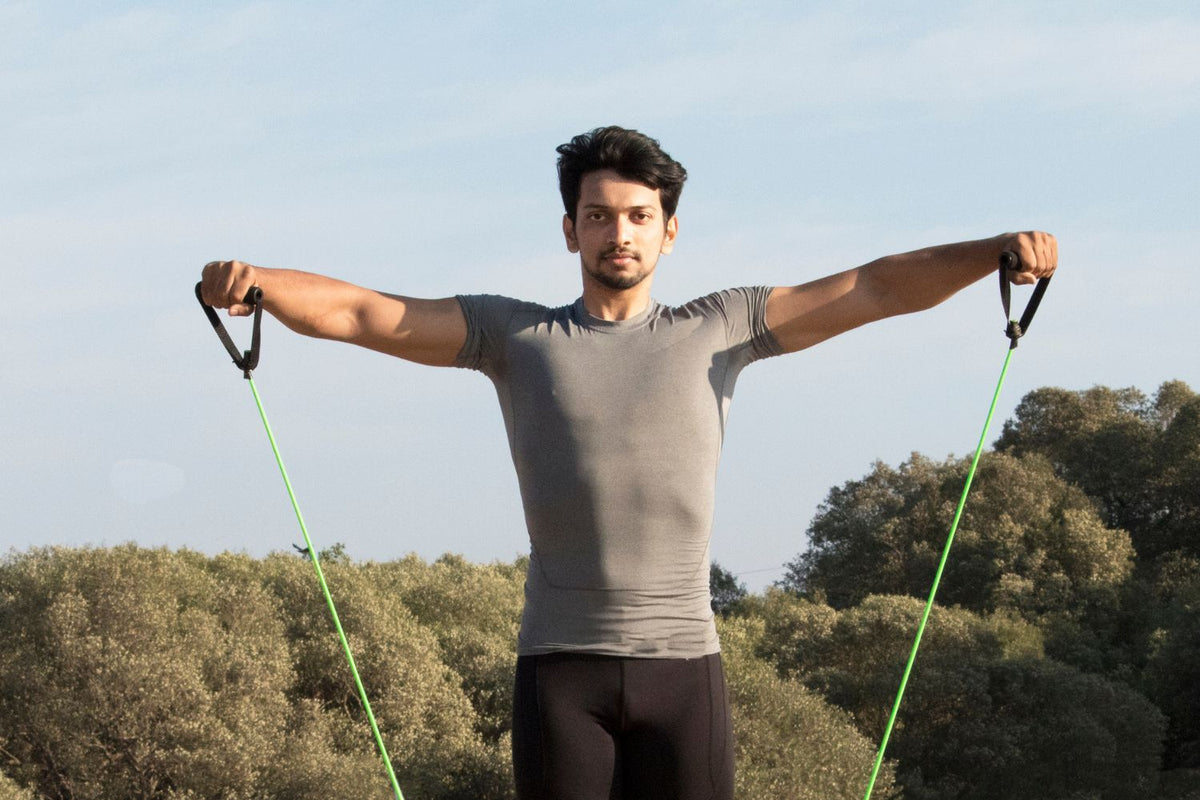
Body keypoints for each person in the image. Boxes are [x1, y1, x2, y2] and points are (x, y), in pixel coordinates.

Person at [200, 125, 1058, 800]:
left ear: (670, 231)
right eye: (601, 215)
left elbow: (872, 288)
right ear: (570, 227)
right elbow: (361, 312)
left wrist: (991, 252)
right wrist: (254, 281)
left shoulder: (721, 327)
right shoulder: (515, 335)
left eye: (639, 216)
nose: (620, 232)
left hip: (686, 671)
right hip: (559, 673)